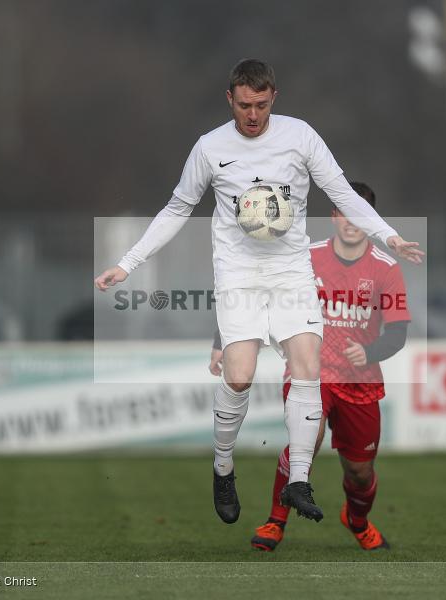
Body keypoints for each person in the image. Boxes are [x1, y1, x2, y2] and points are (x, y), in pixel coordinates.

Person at [95, 59, 424, 525]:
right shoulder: (210, 147)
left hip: (290, 269)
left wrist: (387, 236)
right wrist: (128, 264)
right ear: (230, 99)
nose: (253, 114)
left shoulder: (300, 136)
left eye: (262, 105)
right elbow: (177, 208)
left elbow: (343, 193)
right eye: (245, 105)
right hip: (239, 273)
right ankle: (223, 466)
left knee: (308, 366)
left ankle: (299, 481)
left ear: (275, 97)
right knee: (241, 375)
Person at [210, 182, 410, 550]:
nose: (351, 222)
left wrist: (369, 353)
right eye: (344, 213)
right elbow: (250, 293)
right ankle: (275, 522)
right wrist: (222, 340)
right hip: (310, 373)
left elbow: (397, 332)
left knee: (360, 472)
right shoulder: (305, 257)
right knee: (305, 441)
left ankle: (357, 519)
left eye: (361, 216)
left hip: (359, 382)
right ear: (334, 216)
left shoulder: (385, 269)